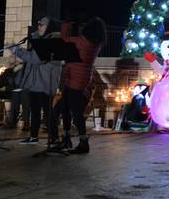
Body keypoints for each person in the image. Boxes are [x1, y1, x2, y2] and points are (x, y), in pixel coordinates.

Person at [10, 17, 63, 145]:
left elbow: (36, 59)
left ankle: (55, 139)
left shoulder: (54, 41)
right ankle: (33, 137)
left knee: (48, 112)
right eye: (38, 24)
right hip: (35, 82)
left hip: (45, 82)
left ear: (49, 27)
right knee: (34, 111)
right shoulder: (39, 40)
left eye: (42, 24)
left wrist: (17, 50)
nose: (38, 26)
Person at [58, 17, 107, 154]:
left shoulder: (82, 42)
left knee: (75, 112)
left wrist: (66, 24)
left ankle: (83, 142)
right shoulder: (96, 44)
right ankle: (68, 138)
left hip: (75, 79)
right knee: (68, 108)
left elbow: (65, 39)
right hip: (81, 78)